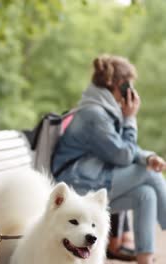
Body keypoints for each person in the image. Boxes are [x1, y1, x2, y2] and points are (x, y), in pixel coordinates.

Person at [52, 54, 166, 264]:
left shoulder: (103, 110)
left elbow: (122, 148)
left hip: (90, 176)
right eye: (129, 84)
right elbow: (122, 155)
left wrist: (148, 157)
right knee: (150, 176)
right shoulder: (95, 114)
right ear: (119, 85)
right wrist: (131, 118)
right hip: (78, 182)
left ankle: (145, 259)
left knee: (146, 194)